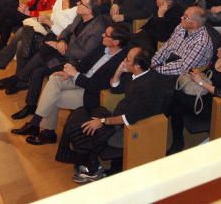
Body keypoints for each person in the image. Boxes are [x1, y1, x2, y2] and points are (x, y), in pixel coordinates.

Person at [55, 46, 173, 183]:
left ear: (137, 65)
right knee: (80, 113)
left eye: (127, 60)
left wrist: (102, 121)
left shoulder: (146, 87)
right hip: (116, 115)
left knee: (82, 127)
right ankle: (81, 158)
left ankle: (93, 168)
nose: (124, 61)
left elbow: (128, 119)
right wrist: (119, 71)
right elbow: (115, 87)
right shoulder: (136, 74)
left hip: (124, 127)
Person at [10, 23, 131, 145]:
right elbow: (85, 62)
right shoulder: (103, 46)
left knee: (53, 97)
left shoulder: (121, 61)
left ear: (115, 42)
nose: (102, 35)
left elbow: (96, 86)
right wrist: (71, 72)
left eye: (106, 35)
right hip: (81, 78)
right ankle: (38, 126)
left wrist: (75, 74)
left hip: (90, 93)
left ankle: (43, 129)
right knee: (54, 78)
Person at [166, 36, 221, 154]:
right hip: (203, 93)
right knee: (174, 93)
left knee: (176, 104)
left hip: (214, 104)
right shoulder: (218, 58)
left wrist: (200, 82)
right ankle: (170, 124)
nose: (218, 50)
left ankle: (178, 141)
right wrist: (200, 74)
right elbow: (209, 75)